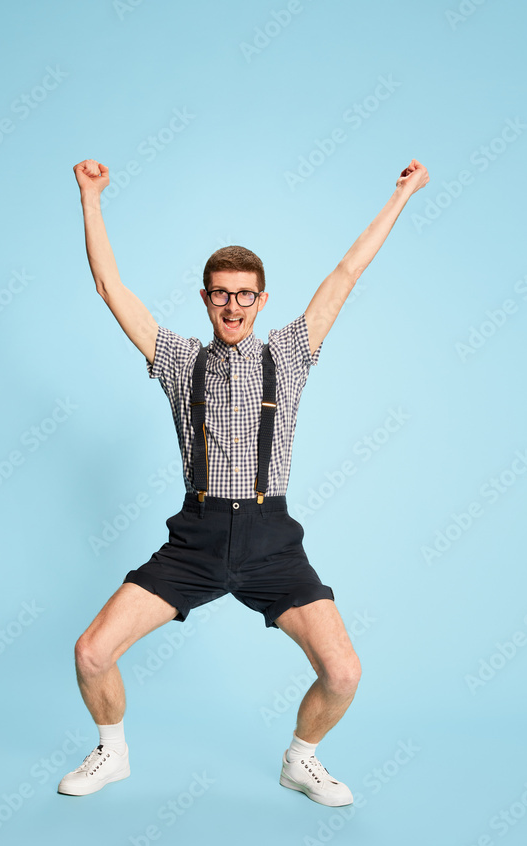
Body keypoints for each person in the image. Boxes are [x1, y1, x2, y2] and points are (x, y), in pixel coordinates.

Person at [58, 157, 430, 806]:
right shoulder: (176, 359)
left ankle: (300, 761)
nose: (232, 304)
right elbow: (109, 286)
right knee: (91, 651)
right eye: (219, 292)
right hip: (195, 539)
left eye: (244, 293)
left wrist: (402, 194)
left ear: (261, 299)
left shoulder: (287, 354)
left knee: (343, 673)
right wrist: (91, 197)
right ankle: (111, 752)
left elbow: (346, 272)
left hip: (270, 541)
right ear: (205, 298)